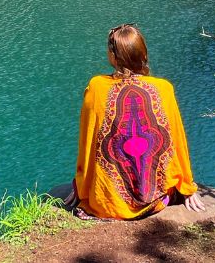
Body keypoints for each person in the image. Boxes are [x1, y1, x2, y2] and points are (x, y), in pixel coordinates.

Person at [66, 23, 205, 219]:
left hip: (107, 203)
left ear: (113, 57)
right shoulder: (164, 88)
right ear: (144, 55)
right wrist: (187, 187)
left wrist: (81, 185)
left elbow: (87, 142)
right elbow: (177, 142)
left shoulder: (96, 86)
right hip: (156, 201)